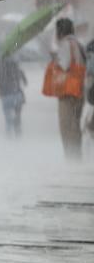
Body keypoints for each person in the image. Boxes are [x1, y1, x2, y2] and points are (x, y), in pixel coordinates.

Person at [49, 18, 85, 159]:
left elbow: (64, 65)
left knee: (66, 126)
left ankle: (71, 158)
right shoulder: (78, 43)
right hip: (79, 90)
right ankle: (77, 156)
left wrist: (54, 58)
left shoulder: (65, 44)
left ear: (60, 30)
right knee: (75, 126)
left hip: (67, 92)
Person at [0, 55, 28, 137]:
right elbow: (25, 83)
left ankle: (9, 137)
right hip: (17, 96)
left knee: (8, 119)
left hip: (6, 96)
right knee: (17, 116)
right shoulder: (19, 71)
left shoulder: (1, 72)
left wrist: (0, 90)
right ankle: (18, 134)